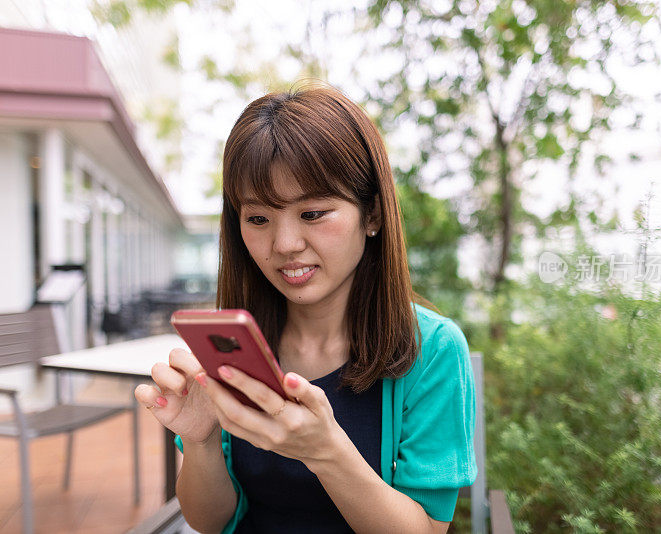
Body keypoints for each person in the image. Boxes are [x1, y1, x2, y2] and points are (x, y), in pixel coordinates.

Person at [135, 82, 477, 534]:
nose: (284, 245)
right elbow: (209, 521)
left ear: (371, 214)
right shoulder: (237, 347)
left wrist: (325, 450)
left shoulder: (430, 350)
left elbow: (427, 530)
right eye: (258, 219)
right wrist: (201, 441)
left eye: (313, 213)